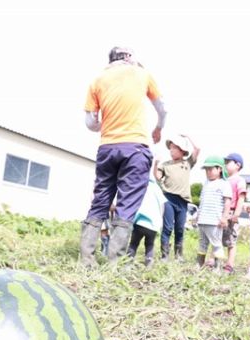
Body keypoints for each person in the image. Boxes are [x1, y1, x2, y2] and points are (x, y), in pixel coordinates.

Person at [80, 46, 167, 266]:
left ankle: (87, 259)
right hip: (136, 148)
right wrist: (158, 128)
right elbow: (163, 108)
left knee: (100, 201)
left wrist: (104, 124)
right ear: (128, 57)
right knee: (126, 205)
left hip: (107, 147)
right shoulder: (141, 73)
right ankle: (114, 263)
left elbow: (90, 123)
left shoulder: (97, 80)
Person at [155, 134, 200, 260]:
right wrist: (155, 164)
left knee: (180, 228)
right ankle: (164, 255)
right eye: (170, 148)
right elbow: (158, 177)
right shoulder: (165, 165)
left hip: (183, 201)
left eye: (175, 147)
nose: (171, 150)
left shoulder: (188, 163)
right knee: (167, 227)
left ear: (182, 150)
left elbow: (197, 149)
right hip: (169, 198)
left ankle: (178, 255)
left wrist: (188, 137)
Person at [196, 156, 232, 269]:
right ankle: (199, 264)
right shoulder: (206, 183)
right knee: (202, 243)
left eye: (211, 169)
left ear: (219, 169)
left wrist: (224, 218)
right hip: (203, 220)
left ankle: (217, 267)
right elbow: (202, 201)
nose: (208, 172)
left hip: (215, 221)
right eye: (206, 170)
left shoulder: (224, 184)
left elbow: (227, 202)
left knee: (216, 244)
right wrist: (198, 215)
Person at [127, 175, 167, 266]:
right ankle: (148, 265)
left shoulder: (140, 186)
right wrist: (160, 220)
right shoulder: (157, 189)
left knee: (133, 244)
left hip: (140, 222)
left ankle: (127, 264)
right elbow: (162, 205)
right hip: (153, 224)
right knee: (149, 245)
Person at [222, 153, 247, 274]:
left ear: (238, 165)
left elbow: (241, 198)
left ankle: (229, 264)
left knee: (231, 240)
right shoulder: (225, 180)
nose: (226, 165)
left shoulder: (240, 180)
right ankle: (212, 260)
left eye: (228, 162)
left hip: (232, 212)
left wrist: (236, 214)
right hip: (222, 212)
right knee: (217, 236)